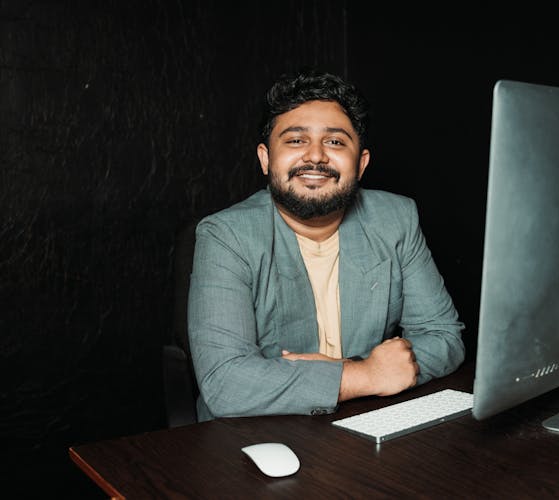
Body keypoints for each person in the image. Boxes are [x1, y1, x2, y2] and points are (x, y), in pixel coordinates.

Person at [187, 69, 465, 421]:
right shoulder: (226, 235)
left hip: (363, 424)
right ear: (265, 158)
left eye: (335, 142)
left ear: (360, 163)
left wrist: (353, 375)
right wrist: (366, 375)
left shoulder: (396, 218)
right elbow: (226, 384)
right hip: (256, 436)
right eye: (295, 140)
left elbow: (444, 338)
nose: (315, 157)